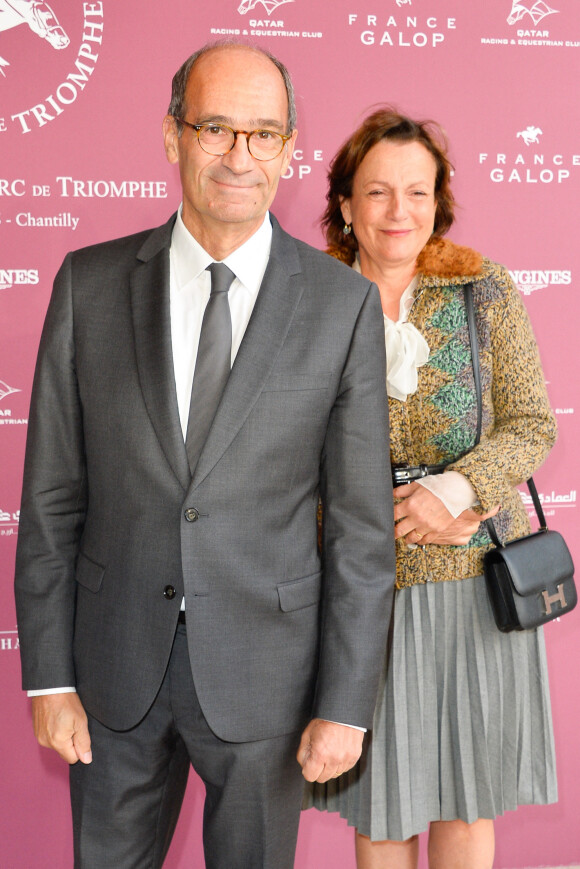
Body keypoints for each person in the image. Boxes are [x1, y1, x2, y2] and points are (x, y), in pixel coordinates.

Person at [14, 44, 396, 868]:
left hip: (270, 682)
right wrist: (47, 676)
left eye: (263, 134)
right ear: (172, 135)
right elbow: (50, 500)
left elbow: (363, 531)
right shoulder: (89, 284)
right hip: (113, 673)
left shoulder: (343, 307)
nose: (238, 156)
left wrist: (346, 704)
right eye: (216, 127)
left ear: (291, 150)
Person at [305, 108, 558, 869]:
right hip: (359, 591)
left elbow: (531, 424)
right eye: (377, 192)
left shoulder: (485, 289)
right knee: (381, 801)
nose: (398, 211)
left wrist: (459, 489)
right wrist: (358, 514)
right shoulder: (305, 303)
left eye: (417, 192)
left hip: (475, 582)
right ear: (345, 204)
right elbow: (276, 451)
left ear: (439, 200)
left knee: (466, 796)